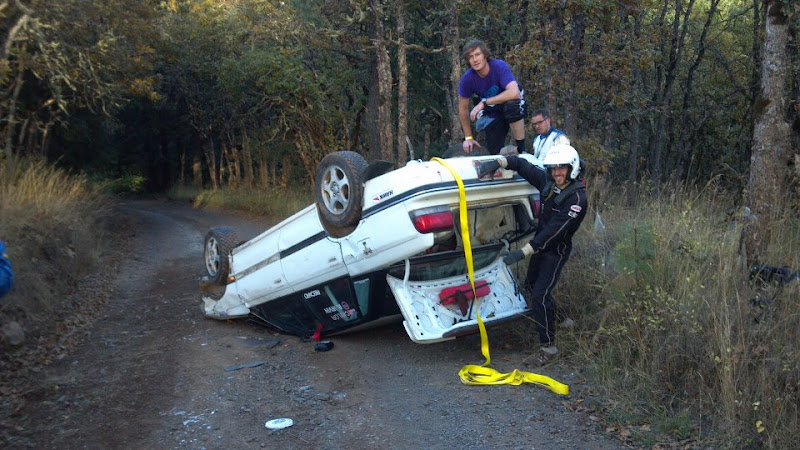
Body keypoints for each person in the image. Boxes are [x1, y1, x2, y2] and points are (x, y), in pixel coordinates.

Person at [476, 144, 588, 364]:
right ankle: (562, 320)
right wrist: (499, 162)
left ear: (572, 168)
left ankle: (548, 348)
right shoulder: (548, 182)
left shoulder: (577, 199)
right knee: (530, 285)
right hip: (540, 247)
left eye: (561, 168)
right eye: (553, 168)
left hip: (556, 251)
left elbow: (554, 230)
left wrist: (524, 251)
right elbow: (523, 165)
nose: (557, 173)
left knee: (539, 295)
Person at [458, 40, 527, 156]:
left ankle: (522, 149)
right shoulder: (467, 79)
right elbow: (462, 109)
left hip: (511, 103)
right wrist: (468, 137)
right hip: (493, 111)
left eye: (477, 55)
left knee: (512, 105)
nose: (475, 60)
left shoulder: (499, 66)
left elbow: (514, 93)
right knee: (493, 152)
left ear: (485, 55)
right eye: (471, 57)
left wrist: (483, 103)